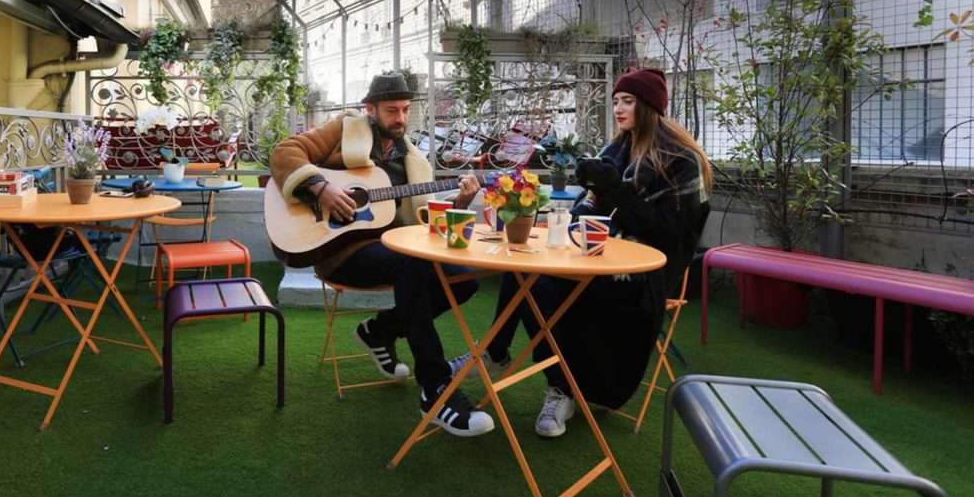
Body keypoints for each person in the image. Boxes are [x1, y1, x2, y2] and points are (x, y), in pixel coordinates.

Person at [452, 67, 711, 437]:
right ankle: (513, 362)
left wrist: (612, 192)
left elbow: (666, 232)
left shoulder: (681, 161)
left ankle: (548, 382)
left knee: (538, 286)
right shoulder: (617, 150)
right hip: (594, 257)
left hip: (645, 273)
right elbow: (586, 211)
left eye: (628, 101)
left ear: (650, 107)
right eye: (616, 101)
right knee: (522, 262)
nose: (618, 109)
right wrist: (578, 212)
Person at [269, 73, 494, 436]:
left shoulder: (412, 160)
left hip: (391, 250)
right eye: (392, 110)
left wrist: (462, 203)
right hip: (339, 250)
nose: (401, 118)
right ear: (370, 109)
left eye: (405, 110)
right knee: (412, 264)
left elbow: (421, 220)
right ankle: (436, 388)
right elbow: (284, 153)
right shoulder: (344, 129)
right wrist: (322, 188)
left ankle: (379, 331)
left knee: (464, 279)